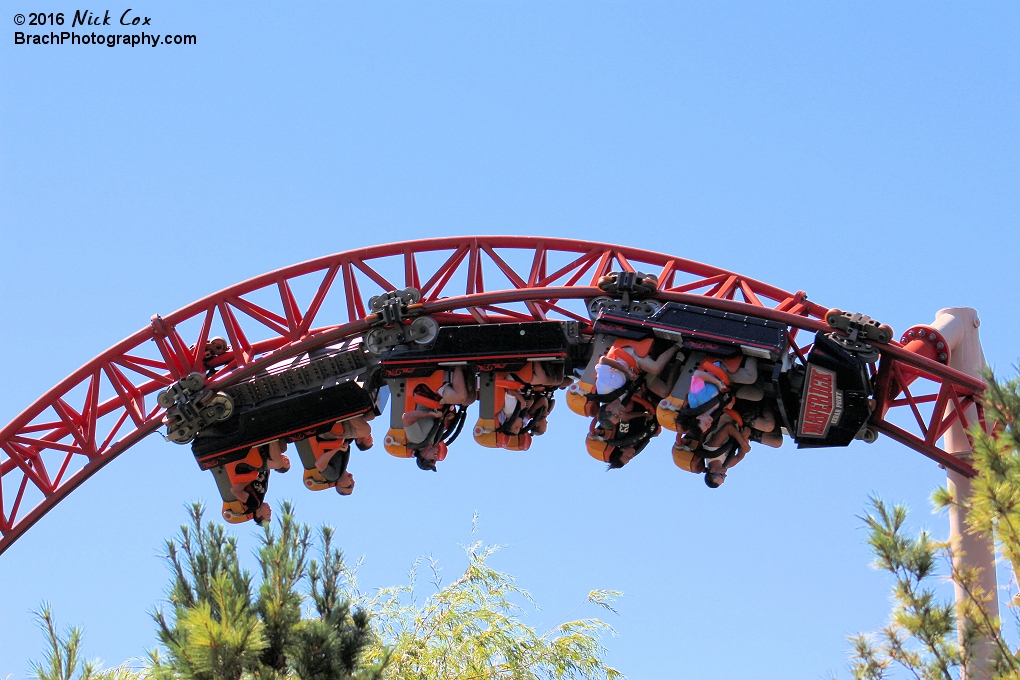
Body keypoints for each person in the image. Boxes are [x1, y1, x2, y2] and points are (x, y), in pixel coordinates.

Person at [313, 415, 372, 495]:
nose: (353, 482)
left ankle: (348, 412)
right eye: (353, 484)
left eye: (350, 486)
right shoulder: (342, 467)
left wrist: (338, 448)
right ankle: (349, 412)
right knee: (370, 416)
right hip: (337, 434)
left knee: (365, 430)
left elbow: (319, 464)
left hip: (326, 434)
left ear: (340, 485)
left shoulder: (333, 476)